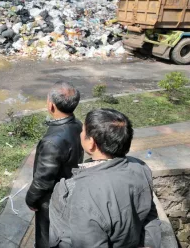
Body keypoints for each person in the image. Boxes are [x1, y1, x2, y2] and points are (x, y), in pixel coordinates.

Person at [49, 109, 161, 248]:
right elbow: (150, 217)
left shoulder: (76, 192)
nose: (80, 134)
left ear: (91, 143)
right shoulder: (140, 168)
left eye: (83, 131)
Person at [25, 81, 83, 248]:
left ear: (51, 106)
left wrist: (31, 200)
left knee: (47, 238)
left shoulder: (52, 142)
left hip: (52, 200)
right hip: (69, 188)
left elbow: (43, 180)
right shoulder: (77, 125)